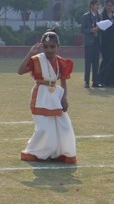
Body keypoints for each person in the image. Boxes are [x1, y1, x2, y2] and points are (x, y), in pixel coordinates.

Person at [18, 30, 76, 164]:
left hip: (56, 95)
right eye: (45, 47)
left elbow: (63, 82)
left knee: (64, 125)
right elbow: (20, 71)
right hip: (41, 94)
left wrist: (64, 98)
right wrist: (30, 53)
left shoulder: (61, 62)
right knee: (44, 127)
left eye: (52, 46)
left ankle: (60, 152)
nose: (49, 50)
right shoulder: (37, 60)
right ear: (41, 47)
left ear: (58, 47)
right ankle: (36, 152)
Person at [80, 0, 102, 88]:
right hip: (89, 43)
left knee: (96, 62)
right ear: (91, 5)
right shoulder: (85, 16)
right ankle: (87, 81)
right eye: (96, 5)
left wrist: (101, 28)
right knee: (88, 63)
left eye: (98, 5)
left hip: (97, 42)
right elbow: (83, 29)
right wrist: (91, 30)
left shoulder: (99, 16)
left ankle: (95, 81)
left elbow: (101, 27)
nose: (98, 7)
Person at [97, 0, 114, 87]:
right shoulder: (101, 16)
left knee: (113, 61)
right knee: (105, 60)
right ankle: (101, 79)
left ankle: (110, 81)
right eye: (108, 5)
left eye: (111, 6)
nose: (109, 7)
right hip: (104, 42)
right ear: (105, 5)